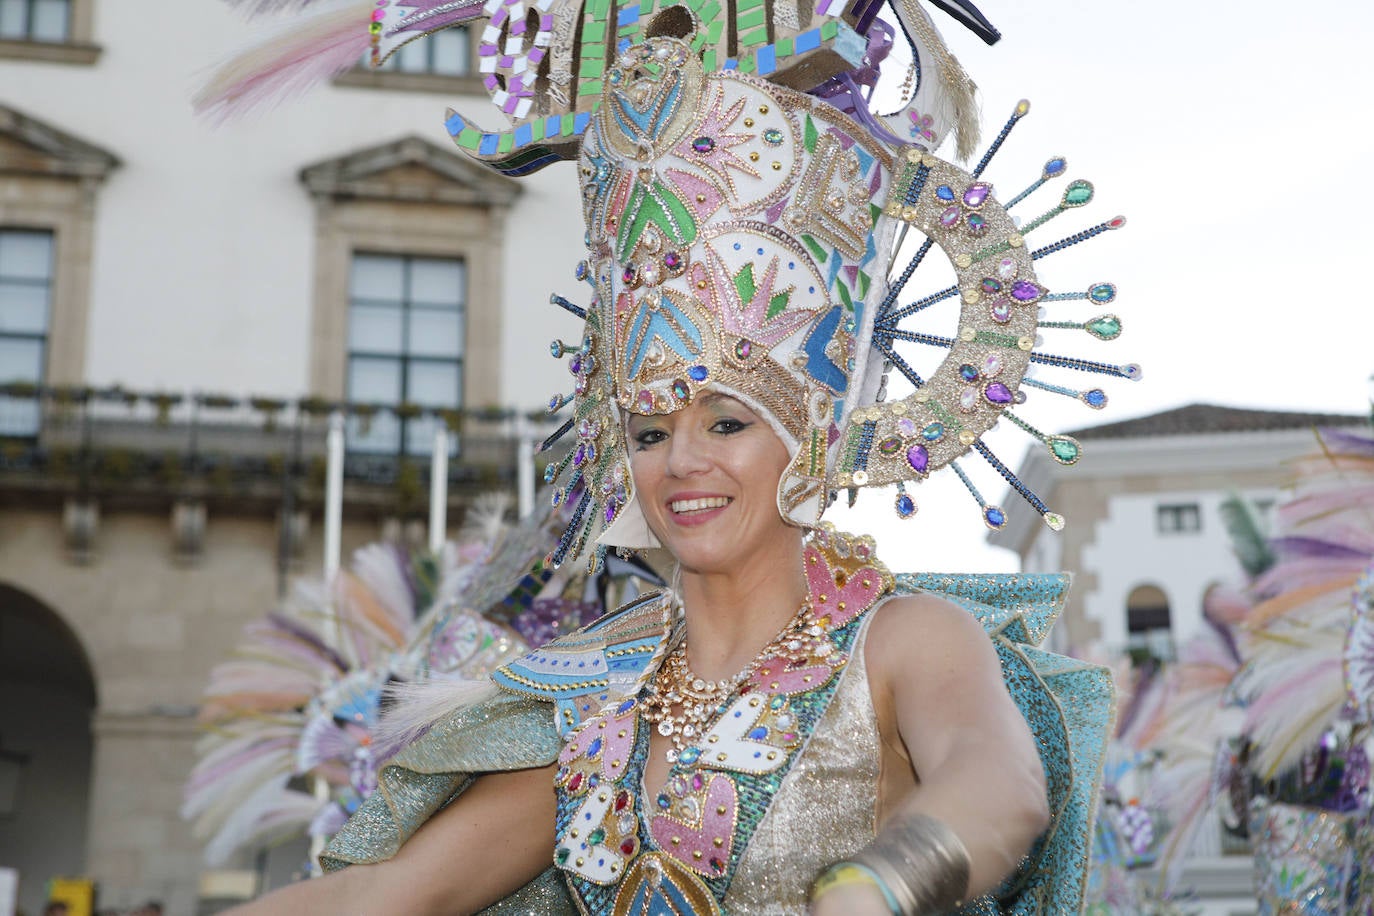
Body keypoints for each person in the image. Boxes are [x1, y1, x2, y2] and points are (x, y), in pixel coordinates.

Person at [210, 0, 1123, 912]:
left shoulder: (903, 639)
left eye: (728, 423)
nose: (682, 460)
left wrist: (876, 886)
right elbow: (403, 892)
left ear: (810, 435)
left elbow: (997, 786)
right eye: (649, 432)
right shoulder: (595, 692)